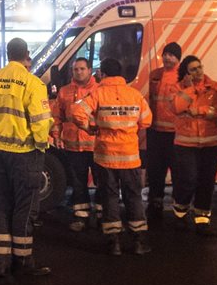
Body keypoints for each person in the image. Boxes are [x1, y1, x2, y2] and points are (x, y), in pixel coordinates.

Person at [0, 37, 54, 277]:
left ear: (7, 54)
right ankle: (22, 261)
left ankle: (0, 262)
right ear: (27, 54)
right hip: (24, 153)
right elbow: (41, 122)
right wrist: (41, 146)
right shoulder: (32, 83)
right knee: (25, 206)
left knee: (0, 203)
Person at [73, 57, 152, 256]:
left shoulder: (98, 93)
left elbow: (77, 113)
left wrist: (90, 128)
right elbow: (146, 121)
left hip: (105, 156)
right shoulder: (134, 94)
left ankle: (114, 242)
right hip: (130, 156)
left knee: (109, 198)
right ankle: (139, 242)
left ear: (103, 73)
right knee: (133, 196)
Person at [170, 55, 217, 235]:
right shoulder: (178, 88)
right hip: (186, 144)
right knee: (188, 180)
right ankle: (180, 213)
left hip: (212, 144)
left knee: (206, 181)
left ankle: (202, 218)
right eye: (193, 69)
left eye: (199, 67)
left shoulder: (216, 87)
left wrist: (198, 111)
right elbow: (177, 107)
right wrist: (189, 89)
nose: (199, 71)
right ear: (186, 73)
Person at [52, 57, 101, 231]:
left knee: (101, 181)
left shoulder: (99, 90)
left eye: (82, 69)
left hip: (96, 145)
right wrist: (56, 136)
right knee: (78, 182)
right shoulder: (64, 92)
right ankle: (81, 216)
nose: (78, 72)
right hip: (73, 146)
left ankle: (103, 216)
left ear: (89, 70)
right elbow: (57, 117)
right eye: (75, 69)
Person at [145, 41, 182, 223]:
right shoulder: (155, 75)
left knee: (178, 174)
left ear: (178, 58)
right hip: (156, 132)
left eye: (172, 55)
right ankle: (155, 205)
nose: (167, 57)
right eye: (166, 54)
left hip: (176, 133)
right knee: (155, 173)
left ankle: (180, 210)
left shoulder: (183, 77)